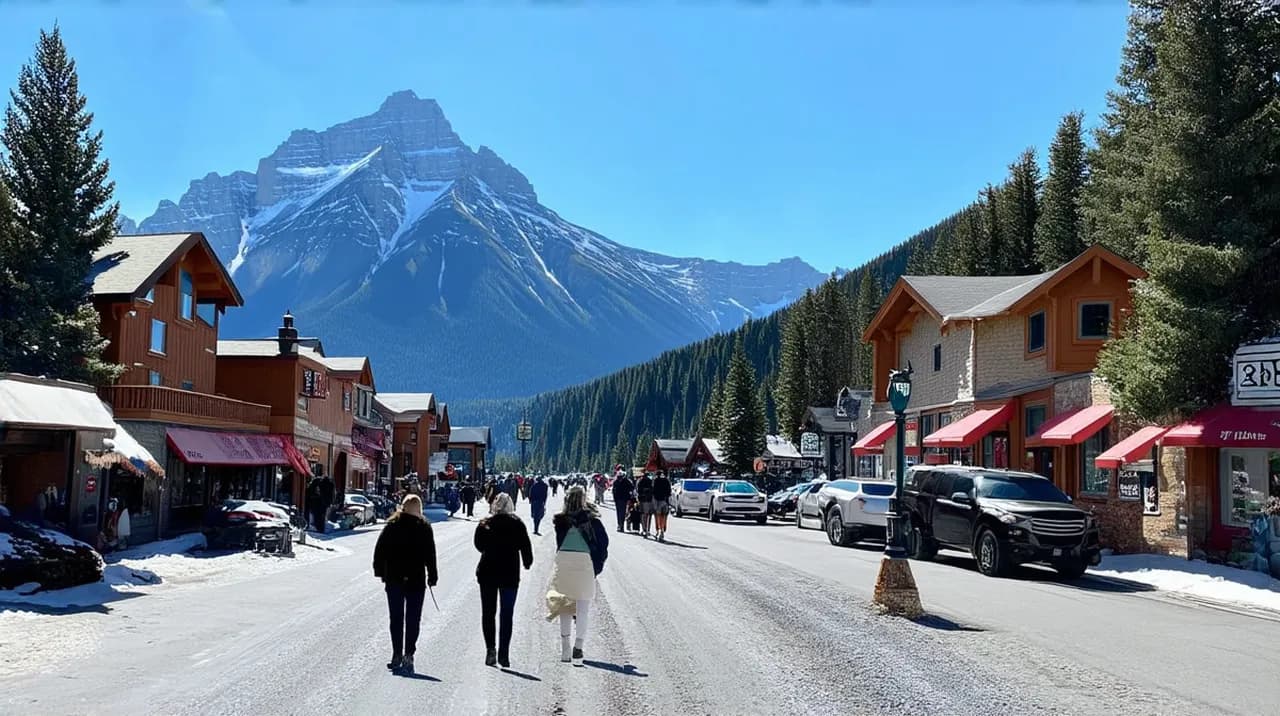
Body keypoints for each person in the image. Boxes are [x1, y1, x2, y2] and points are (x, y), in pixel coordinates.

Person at [372, 494, 439, 675]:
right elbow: (430, 554)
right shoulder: (424, 528)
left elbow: (380, 550)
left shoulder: (392, 526)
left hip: (394, 578)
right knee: (413, 619)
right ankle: (409, 654)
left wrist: (379, 571)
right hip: (416, 579)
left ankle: (396, 654)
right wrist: (432, 575)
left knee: (396, 618)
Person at [546, 486, 608, 666]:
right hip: (584, 565)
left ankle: (565, 647)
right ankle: (578, 647)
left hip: (564, 565)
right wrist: (597, 567)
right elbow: (603, 545)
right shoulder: (592, 521)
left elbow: (559, 544)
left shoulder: (560, 521)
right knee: (583, 608)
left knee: (565, 607)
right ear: (583, 499)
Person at [474, 493, 533, 668]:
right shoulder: (517, 524)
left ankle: (490, 649)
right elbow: (526, 547)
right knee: (506, 614)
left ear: (494, 505)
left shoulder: (485, 524)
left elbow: (478, 545)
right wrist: (527, 562)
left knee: (488, 613)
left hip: (487, 573)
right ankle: (504, 654)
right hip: (509, 574)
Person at [651, 470, 673, 542]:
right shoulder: (667, 481)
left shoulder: (655, 480)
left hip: (658, 501)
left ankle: (659, 530)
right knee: (664, 516)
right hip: (665, 501)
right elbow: (669, 492)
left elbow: (653, 491)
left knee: (658, 516)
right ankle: (662, 530)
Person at [635, 472, 655, 538]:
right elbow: (652, 490)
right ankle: (647, 529)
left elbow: (638, 490)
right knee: (648, 515)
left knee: (643, 515)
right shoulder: (650, 481)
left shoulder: (640, 481)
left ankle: (644, 529)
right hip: (649, 500)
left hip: (642, 500)